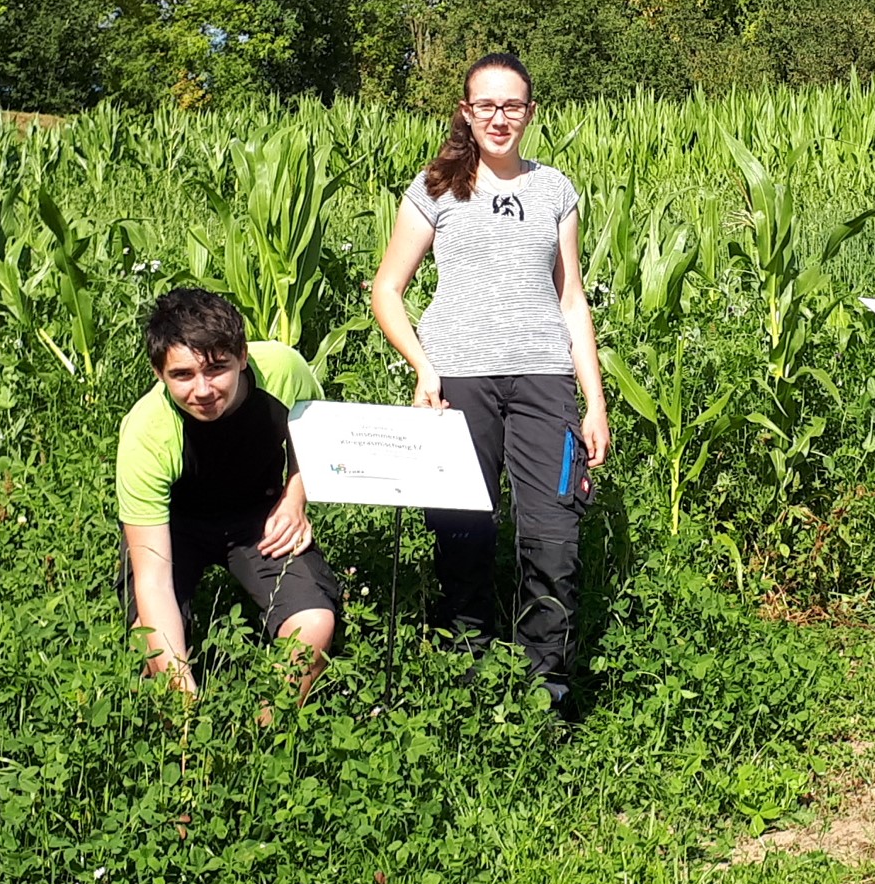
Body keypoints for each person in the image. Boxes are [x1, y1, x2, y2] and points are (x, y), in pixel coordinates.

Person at [370, 51, 610, 713]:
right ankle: (462, 678)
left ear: (530, 113)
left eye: (513, 106)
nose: (500, 118)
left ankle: (547, 691)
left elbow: (571, 301)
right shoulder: (435, 188)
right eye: (487, 105)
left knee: (553, 535)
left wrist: (594, 401)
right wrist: (424, 367)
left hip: (543, 381)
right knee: (462, 533)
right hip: (458, 384)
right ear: (466, 112)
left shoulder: (555, 189)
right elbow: (387, 290)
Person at [117, 287, 339, 704]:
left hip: (259, 514)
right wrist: (181, 692)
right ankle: (184, 745)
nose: (202, 390)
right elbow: (153, 580)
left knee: (314, 624)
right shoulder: (144, 436)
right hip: (174, 525)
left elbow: (317, 438)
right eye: (182, 375)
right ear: (158, 372)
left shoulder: (283, 369)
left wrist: (295, 498)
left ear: (243, 357)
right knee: (150, 645)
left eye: (217, 368)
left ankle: (264, 738)